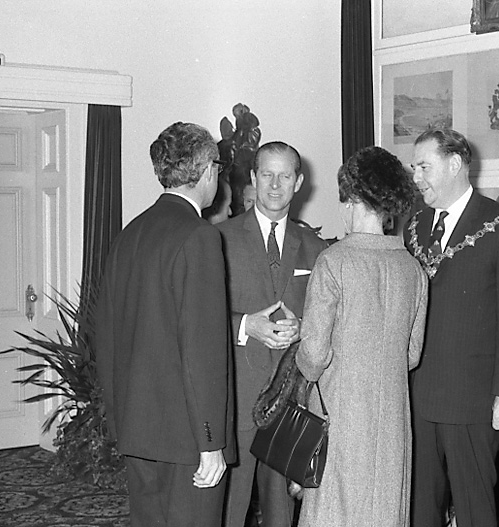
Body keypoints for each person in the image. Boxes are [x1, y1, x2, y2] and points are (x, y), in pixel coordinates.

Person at [95, 122, 234, 527]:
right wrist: (211, 443)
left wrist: (118, 418)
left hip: (137, 427)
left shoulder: (129, 234)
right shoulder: (199, 237)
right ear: (208, 170)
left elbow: (105, 338)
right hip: (187, 438)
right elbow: (203, 350)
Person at [406, 128, 499, 527]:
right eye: (414, 169)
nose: (416, 178)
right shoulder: (413, 225)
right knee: (419, 508)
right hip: (417, 396)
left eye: (423, 167)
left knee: (475, 507)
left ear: (455, 164)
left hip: (473, 400)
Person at [295, 146, 428, 527]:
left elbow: (314, 354)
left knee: (333, 512)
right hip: (392, 420)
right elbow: (411, 355)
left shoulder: (334, 262)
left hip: (340, 412)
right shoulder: (412, 269)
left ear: (353, 200)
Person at [217, 141, 329, 527]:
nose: (275, 185)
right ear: (253, 178)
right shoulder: (219, 240)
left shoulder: (316, 248)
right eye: (267, 174)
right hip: (236, 395)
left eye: (285, 176)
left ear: (299, 182)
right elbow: (200, 316)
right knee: (229, 509)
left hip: (289, 403)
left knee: (281, 514)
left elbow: (329, 319)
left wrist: (305, 328)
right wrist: (247, 325)